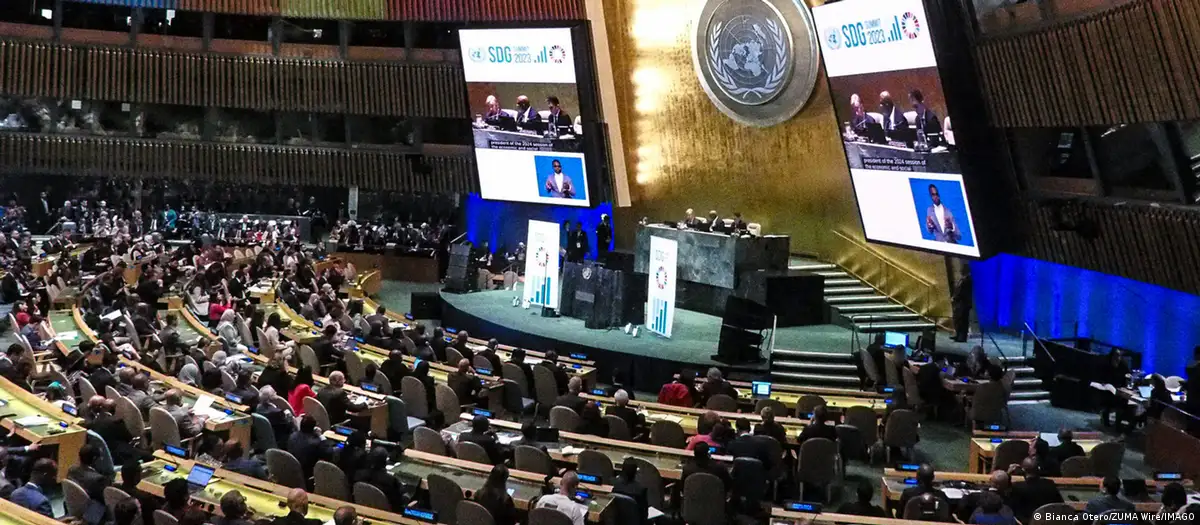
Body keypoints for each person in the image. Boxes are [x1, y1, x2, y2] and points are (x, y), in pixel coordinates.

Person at [1011, 457, 1062, 524]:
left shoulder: (1018, 486)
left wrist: (1008, 474)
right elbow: (1059, 503)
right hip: (1049, 521)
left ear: (1023, 470)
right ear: (1038, 469)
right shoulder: (1050, 484)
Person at [612, 458, 649, 523]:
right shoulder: (641, 489)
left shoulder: (613, 484)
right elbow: (644, 515)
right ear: (635, 472)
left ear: (622, 470)